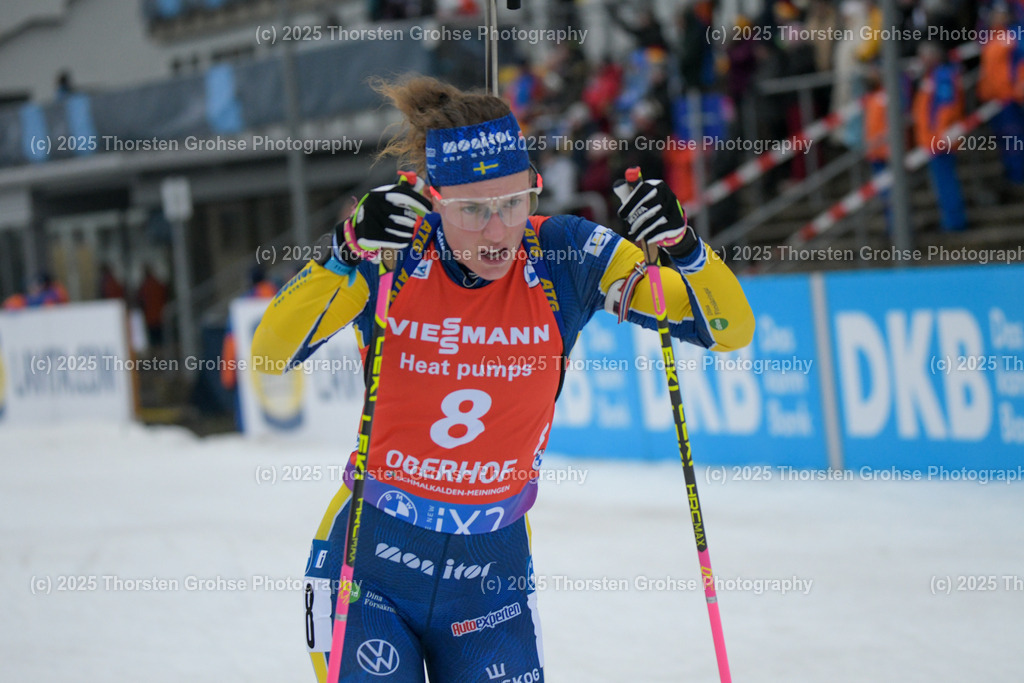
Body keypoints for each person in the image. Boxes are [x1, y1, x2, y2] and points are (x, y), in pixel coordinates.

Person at [252, 75, 754, 682]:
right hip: (369, 570)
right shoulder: (396, 252)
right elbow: (268, 357)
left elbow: (729, 328)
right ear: (436, 201)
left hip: (491, 579)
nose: (497, 231)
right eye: (473, 211)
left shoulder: (566, 256)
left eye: (516, 203)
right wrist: (344, 251)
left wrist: (685, 247)